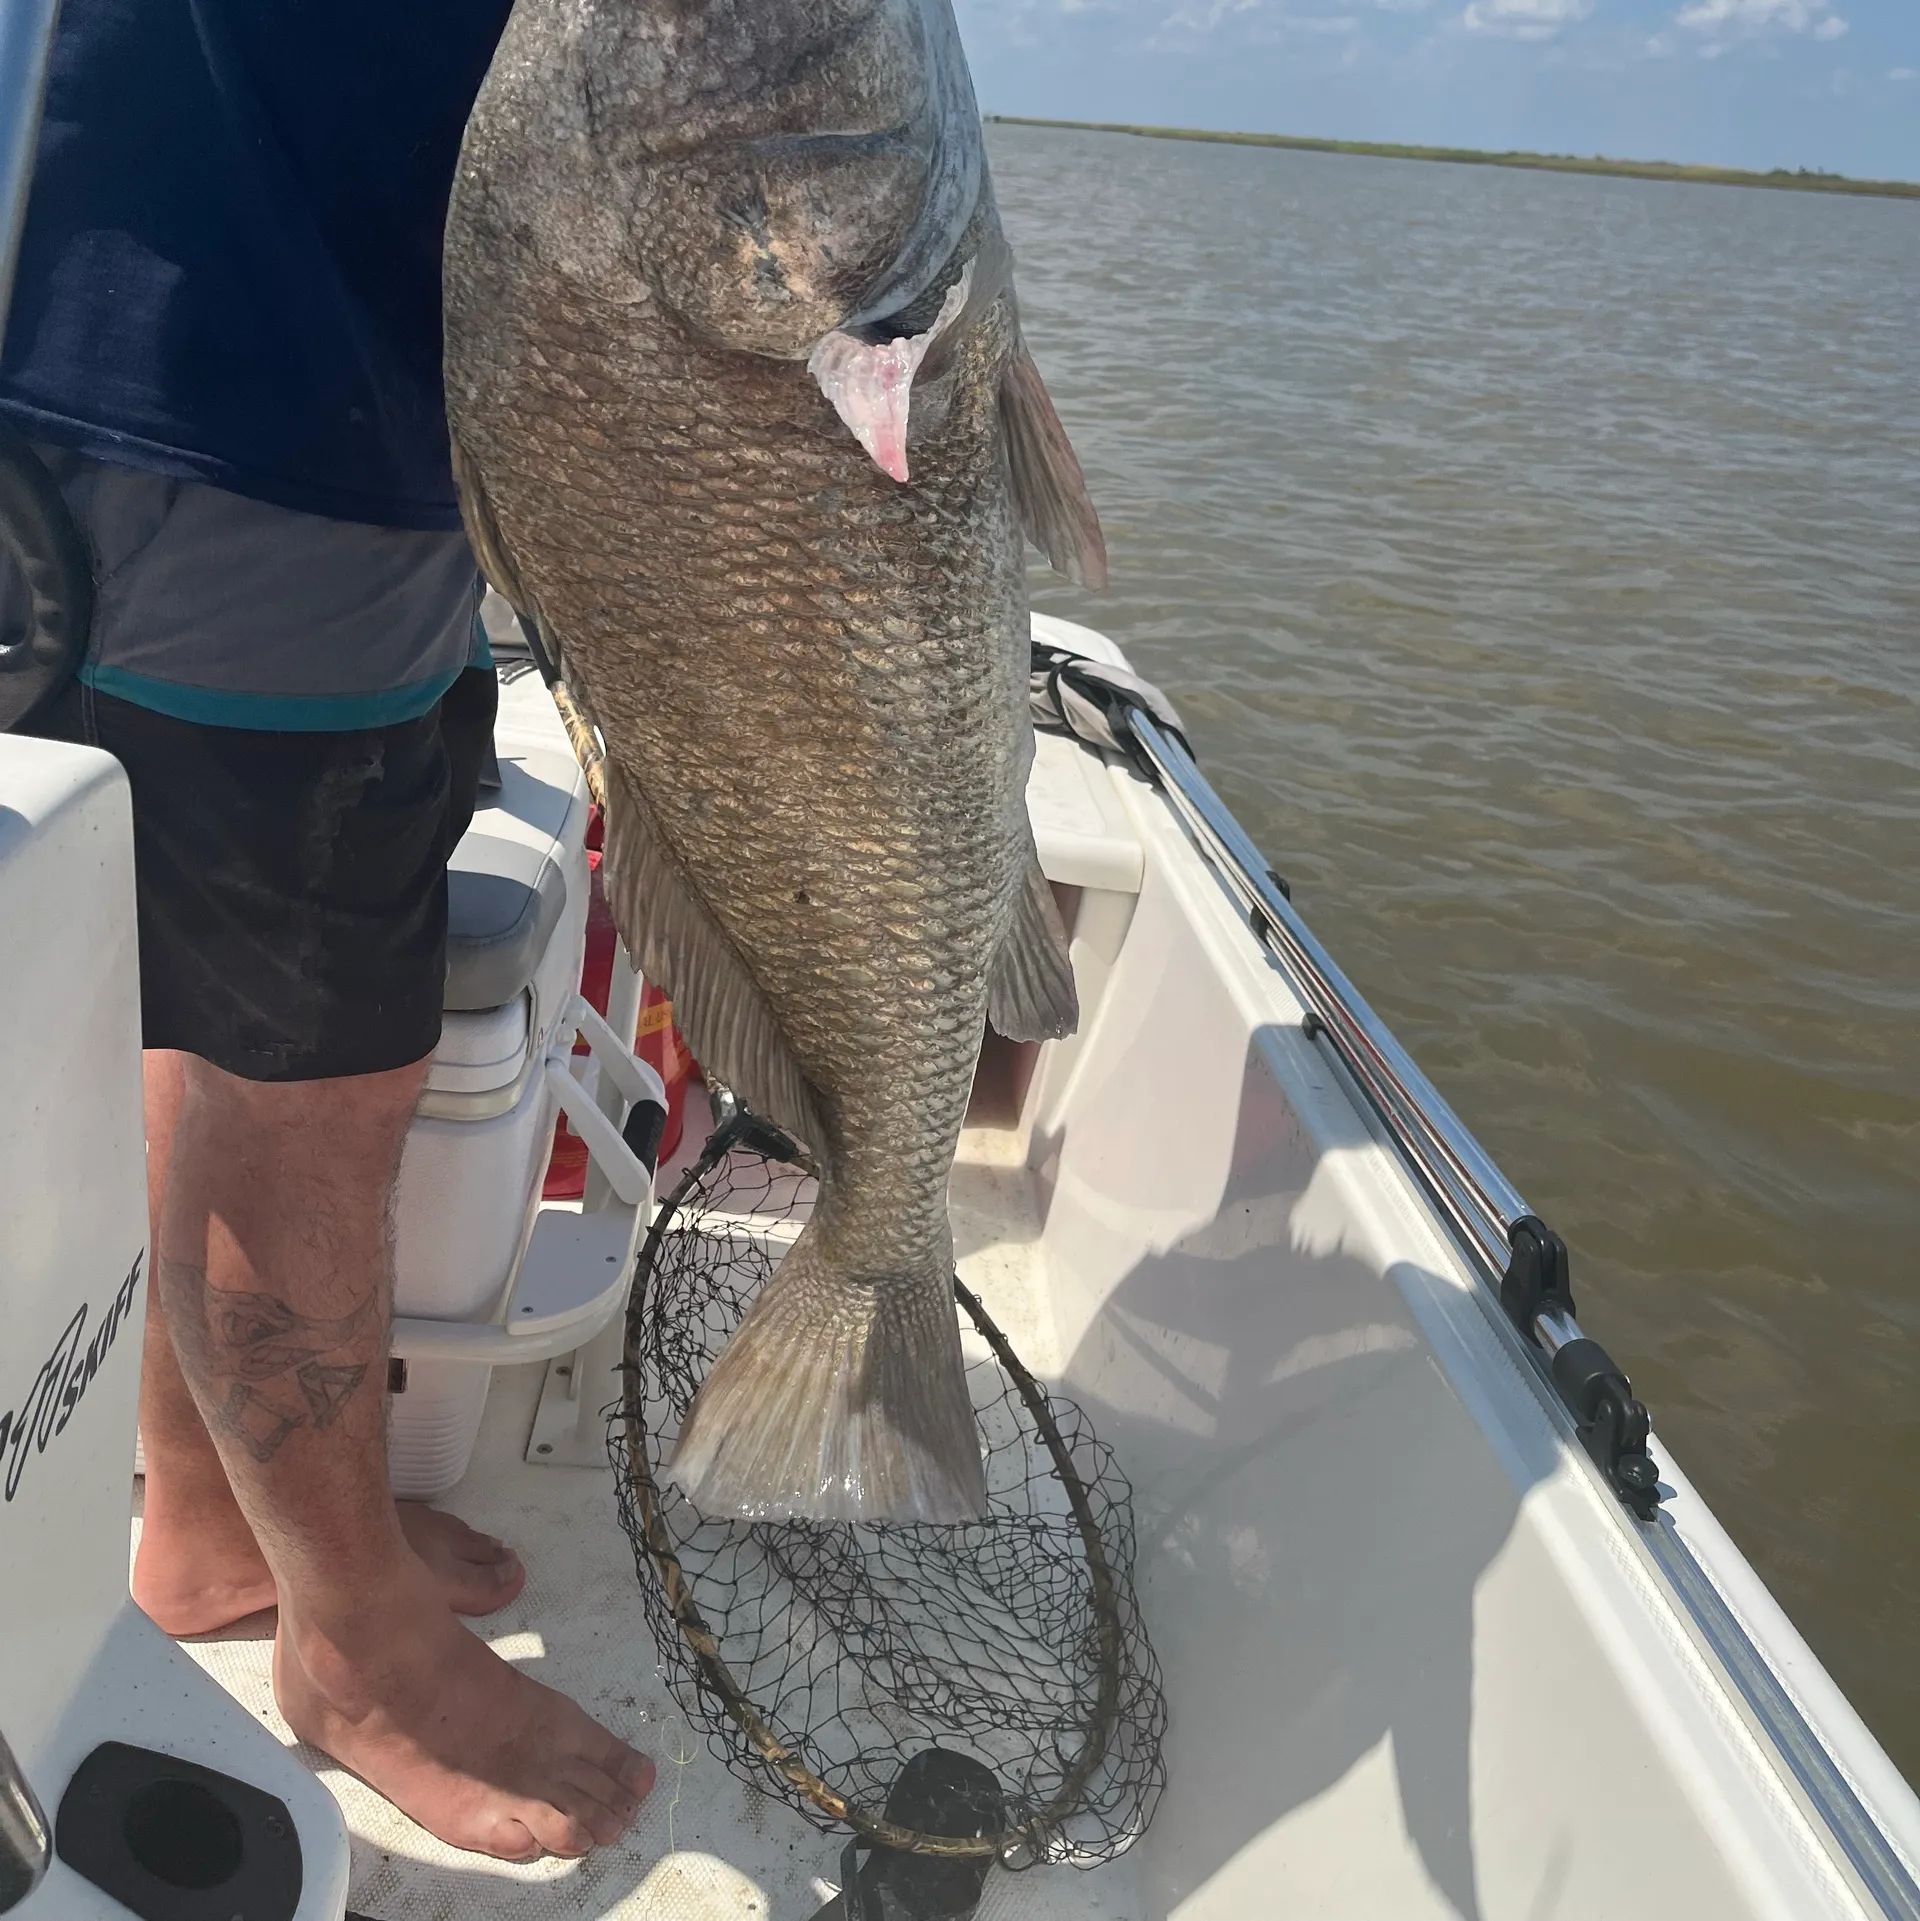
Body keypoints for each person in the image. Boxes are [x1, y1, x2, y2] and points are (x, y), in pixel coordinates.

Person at [0, 0, 655, 1862]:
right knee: (312, 1082)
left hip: (372, 377)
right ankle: (352, 1649)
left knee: (230, 1031)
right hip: (247, 369)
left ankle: (216, 1527)